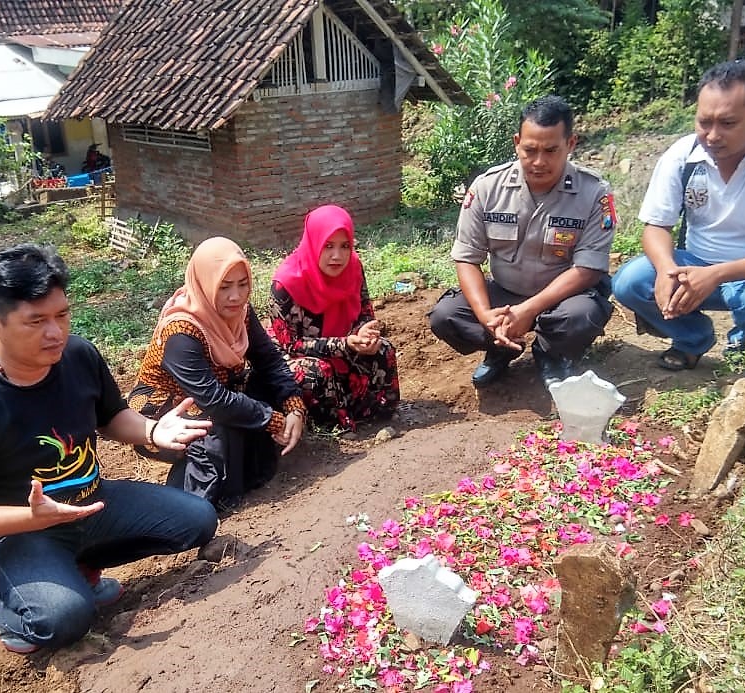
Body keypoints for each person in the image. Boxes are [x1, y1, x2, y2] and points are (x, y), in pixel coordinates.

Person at [0, 244, 218, 655]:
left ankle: (74, 566)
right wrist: (31, 517)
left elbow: (111, 418)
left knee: (199, 520)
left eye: (62, 315)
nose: (55, 332)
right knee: (65, 619)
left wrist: (152, 430)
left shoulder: (78, 356)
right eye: (37, 321)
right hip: (16, 531)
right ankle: (1, 593)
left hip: (90, 502)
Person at [612, 59, 745, 370]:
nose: (712, 135)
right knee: (630, 282)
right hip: (694, 265)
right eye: (704, 122)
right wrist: (667, 269)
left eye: (728, 123)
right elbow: (656, 226)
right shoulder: (683, 155)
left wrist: (716, 274)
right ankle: (692, 339)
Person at [428, 95, 616, 390]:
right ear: (517, 143)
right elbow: (467, 258)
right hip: (505, 292)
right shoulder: (487, 187)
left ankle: (550, 352)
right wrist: (486, 316)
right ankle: (501, 347)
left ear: (571, 144)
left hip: (562, 300)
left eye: (551, 150)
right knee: (446, 315)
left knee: (581, 316)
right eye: (529, 150)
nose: (539, 162)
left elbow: (588, 269)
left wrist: (528, 311)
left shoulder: (594, 193)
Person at [128, 236, 306, 509]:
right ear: (205, 284)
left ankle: (243, 466)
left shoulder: (239, 312)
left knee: (272, 388)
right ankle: (184, 504)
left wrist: (294, 408)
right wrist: (273, 420)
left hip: (216, 396)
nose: (235, 296)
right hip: (162, 415)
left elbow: (269, 360)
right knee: (214, 430)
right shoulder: (181, 331)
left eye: (243, 284)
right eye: (224, 287)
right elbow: (213, 400)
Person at [268, 204, 400, 432]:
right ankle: (330, 425)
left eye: (345, 246)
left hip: (345, 345)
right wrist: (344, 344)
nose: (337, 256)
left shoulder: (353, 268)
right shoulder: (286, 284)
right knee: (313, 371)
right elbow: (292, 344)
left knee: (383, 350)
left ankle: (373, 413)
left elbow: (365, 313)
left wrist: (364, 334)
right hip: (297, 355)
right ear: (314, 242)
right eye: (328, 246)